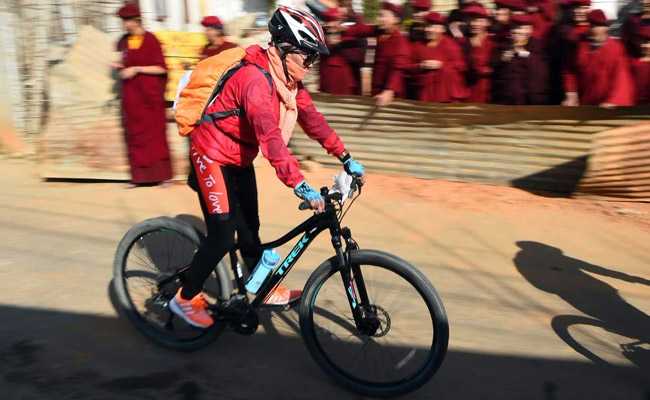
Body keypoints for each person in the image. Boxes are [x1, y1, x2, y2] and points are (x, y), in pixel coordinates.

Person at [169, 6, 366, 328]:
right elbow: (271, 140)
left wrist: (345, 156)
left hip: (239, 157)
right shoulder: (255, 81)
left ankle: (262, 285)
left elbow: (313, 120)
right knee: (222, 235)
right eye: (307, 57)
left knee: (251, 229)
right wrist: (300, 185)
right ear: (285, 49)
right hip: (211, 155)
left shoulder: (287, 81)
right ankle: (184, 298)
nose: (311, 65)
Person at [113, 4, 172, 186]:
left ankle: (162, 176)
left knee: (156, 137)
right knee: (134, 137)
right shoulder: (122, 42)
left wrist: (137, 69)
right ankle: (139, 177)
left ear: (136, 21)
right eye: (123, 21)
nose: (124, 25)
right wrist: (118, 67)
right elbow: (120, 61)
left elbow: (161, 68)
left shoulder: (151, 39)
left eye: (127, 21)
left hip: (150, 99)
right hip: (132, 98)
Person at [344, 2, 410, 106]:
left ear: (396, 19)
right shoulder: (379, 32)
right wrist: (343, 30)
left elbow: (398, 70)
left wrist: (389, 90)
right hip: (376, 89)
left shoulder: (400, 42)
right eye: (380, 15)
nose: (381, 19)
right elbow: (360, 29)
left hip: (390, 94)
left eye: (384, 16)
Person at [564, 9, 634, 107]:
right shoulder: (580, 46)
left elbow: (622, 79)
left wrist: (613, 101)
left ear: (606, 28)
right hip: (586, 104)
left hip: (609, 106)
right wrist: (571, 93)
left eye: (599, 26)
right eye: (592, 26)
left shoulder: (616, 48)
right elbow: (571, 71)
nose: (595, 29)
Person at [410, 12, 468, 102]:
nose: (429, 29)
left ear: (443, 29)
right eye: (427, 26)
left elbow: (460, 66)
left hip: (446, 96)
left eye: (434, 27)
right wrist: (421, 66)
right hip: (424, 95)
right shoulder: (418, 45)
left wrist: (441, 65)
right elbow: (409, 66)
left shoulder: (451, 45)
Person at [491, 14, 549, 104]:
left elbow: (539, 70)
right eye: (515, 31)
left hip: (530, 97)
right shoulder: (503, 45)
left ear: (529, 31)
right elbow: (494, 66)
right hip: (507, 96)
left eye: (522, 30)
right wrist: (502, 59)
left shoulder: (537, 45)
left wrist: (521, 52)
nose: (518, 34)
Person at [319, 7, 364, 95]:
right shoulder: (323, 37)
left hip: (345, 85)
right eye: (328, 21)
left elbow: (357, 57)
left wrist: (339, 44)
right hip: (326, 84)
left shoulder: (350, 36)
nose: (330, 24)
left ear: (340, 22)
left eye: (334, 21)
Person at [462, 3, 495, 103]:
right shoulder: (462, 43)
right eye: (471, 20)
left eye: (479, 21)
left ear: (487, 23)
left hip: (489, 91)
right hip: (468, 90)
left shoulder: (494, 43)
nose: (474, 24)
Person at [631, 25, 650, 104]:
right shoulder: (632, 63)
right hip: (635, 105)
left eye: (648, 42)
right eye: (643, 42)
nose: (644, 46)